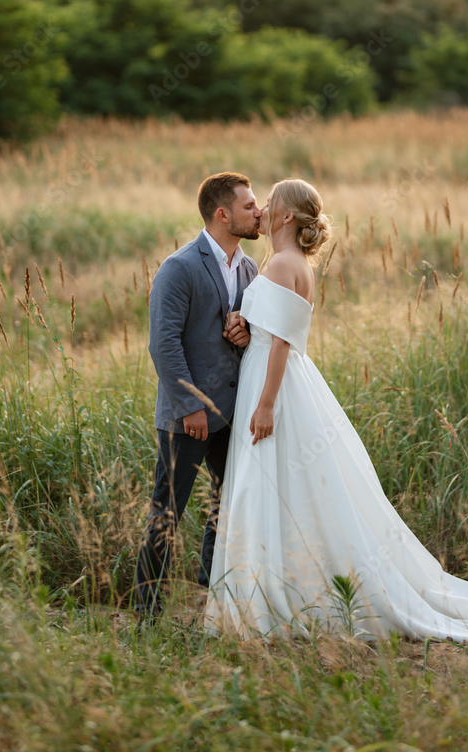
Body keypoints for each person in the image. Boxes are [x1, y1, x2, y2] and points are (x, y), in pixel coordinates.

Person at [205, 178, 468, 640]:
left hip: (275, 387)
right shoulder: (282, 263)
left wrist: (266, 404)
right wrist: (242, 326)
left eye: (270, 202)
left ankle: (278, 600)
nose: (263, 207)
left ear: (287, 216)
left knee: (269, 485)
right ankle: (277, 590)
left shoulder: (285, 264)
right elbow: (270, 329)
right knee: (282, 489)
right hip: (272, 379)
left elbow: (283, 341)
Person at [135, 172, 261, 623]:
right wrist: (190, 406)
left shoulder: (249, 268)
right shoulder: (180, 266)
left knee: (226, 509)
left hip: (233, 415)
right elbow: (163, 343)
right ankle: (147, 613)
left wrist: (246, 333)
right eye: (249, 206)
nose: (258, 212)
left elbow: (249, 336)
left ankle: (211, 603)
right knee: (167, 513)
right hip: (186, 417)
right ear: (223, 213)